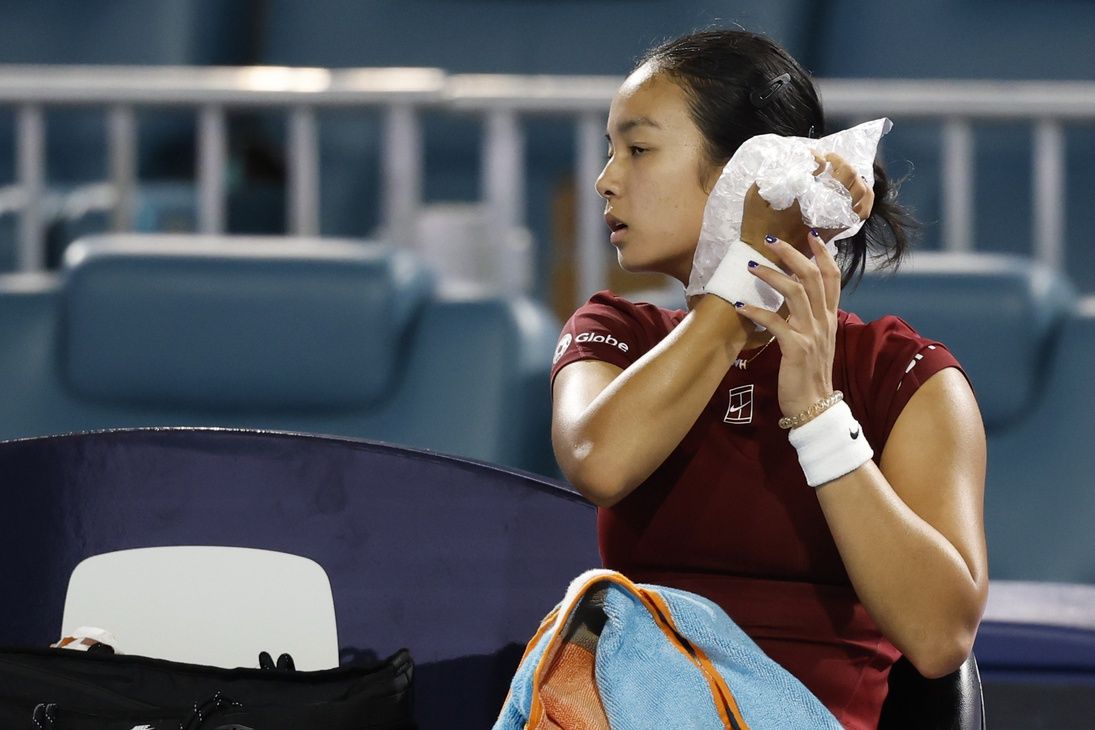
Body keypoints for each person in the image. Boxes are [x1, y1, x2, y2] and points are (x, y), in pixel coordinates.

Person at [549, 29, 988, 729]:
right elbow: (598, 462)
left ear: (748, 173)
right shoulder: (617, 334)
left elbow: (940, 639)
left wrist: (818, 414)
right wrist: (743, 287)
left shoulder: (902, 374)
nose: (606, 178)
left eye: (638, 149)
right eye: (611, 150)